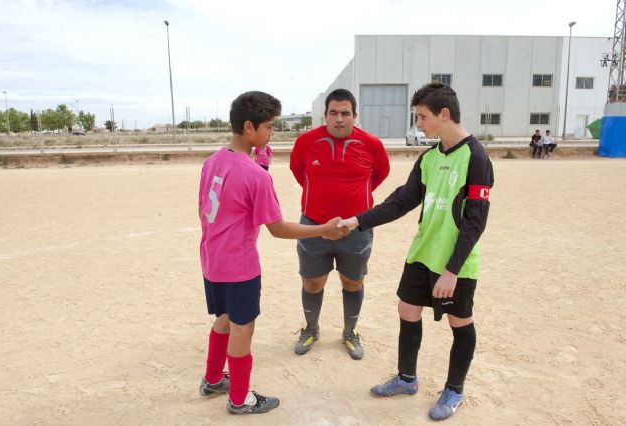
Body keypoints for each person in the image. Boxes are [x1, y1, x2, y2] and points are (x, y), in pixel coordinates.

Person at [337, 83, 494, 421]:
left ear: (445, 114)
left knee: (460, 322)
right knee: (407, 310)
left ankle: (454, 390)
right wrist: (358, 220)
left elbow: (475, 223)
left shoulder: (477, 158)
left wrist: (452, 271)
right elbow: (402, 201)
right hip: (422, 254)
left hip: (456, 263)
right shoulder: (429, 158)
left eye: (423, 117)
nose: (419, 124)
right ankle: (407, 378)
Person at [198, 91, 348, 415]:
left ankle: (212, 379)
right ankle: (239, 399)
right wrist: (323, 229)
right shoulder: (254, 176)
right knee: (243, 327)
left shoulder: (213, 161)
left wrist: (258, 162)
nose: (272, 133)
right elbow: (277, 228)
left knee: (223, 318)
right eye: (268, 127)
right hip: (239, 266)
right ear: (249, 126)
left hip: (212, 260)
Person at [289, 88, 390, 360]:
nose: (339, 119)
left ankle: (349, 332)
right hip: (313, 226)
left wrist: (353, 207)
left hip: (356, 229)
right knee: (312, 282)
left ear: (355, 116)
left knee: (352, 282)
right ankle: (311, 329)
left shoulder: (372, 144)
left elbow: (380, 174)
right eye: (333, 113)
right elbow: (299, 171)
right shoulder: (306, 142)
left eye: (345, 113)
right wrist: (322, 203)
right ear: (325, 115)